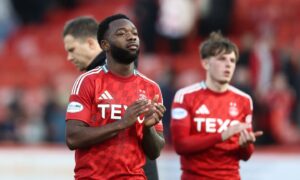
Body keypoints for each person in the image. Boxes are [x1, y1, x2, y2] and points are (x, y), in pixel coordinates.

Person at [65, 14, 166, 179]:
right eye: (121, 33)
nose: (131, 37)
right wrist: (121, 124)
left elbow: (154, 152)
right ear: (105, 45)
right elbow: (73, 138)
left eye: (134, 33)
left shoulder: (151, 88)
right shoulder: (88, 81)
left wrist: (148, 128)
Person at [170, 31, 263, 179]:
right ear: (205, 63)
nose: (228, 65)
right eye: (222, 59)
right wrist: (222, 135)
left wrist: (246, 145)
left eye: (232, 61)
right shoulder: (185, 96)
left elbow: (246, 155)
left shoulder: (244, 100)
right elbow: (181, 145)